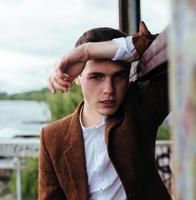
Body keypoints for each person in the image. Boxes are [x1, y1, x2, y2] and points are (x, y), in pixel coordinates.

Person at [38, 22, 171, 200]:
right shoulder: (52, 137)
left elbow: (184, 44)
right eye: (96, 77)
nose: (109, 89)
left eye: (119, 76)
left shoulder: (139, 108)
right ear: (77, 77)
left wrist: (88, 52)